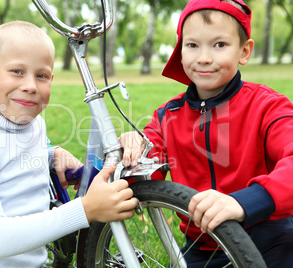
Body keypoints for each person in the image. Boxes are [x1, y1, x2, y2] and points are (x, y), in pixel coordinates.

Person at [0, 21, 138, 267]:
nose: (31, 86)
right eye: (17, 72)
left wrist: (50, 154)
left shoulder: (33, 124)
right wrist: (84, 209)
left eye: (41, 75)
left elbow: (13, 154)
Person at [119, 0, 293, 267]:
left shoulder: (268, 106)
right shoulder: (168, 116)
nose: (203, 57)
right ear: (180, 51)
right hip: (201, 245)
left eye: (219, 45)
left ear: (244, 51)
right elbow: (146, 172)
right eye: (192, 45)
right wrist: (133, 152)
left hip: (269, 238)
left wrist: (245, 202)